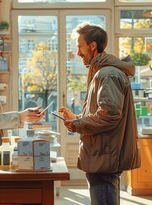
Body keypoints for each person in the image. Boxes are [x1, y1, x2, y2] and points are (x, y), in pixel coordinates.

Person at [58, 22, 140, 205]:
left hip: (104, 155)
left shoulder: (107, 74)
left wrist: (78, 125)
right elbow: (101, 112)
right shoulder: (102, 73)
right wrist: (77, 118)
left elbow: (109, 115)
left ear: (92, 46)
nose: (78, 52)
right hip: (102, 154)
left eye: (80, 47)